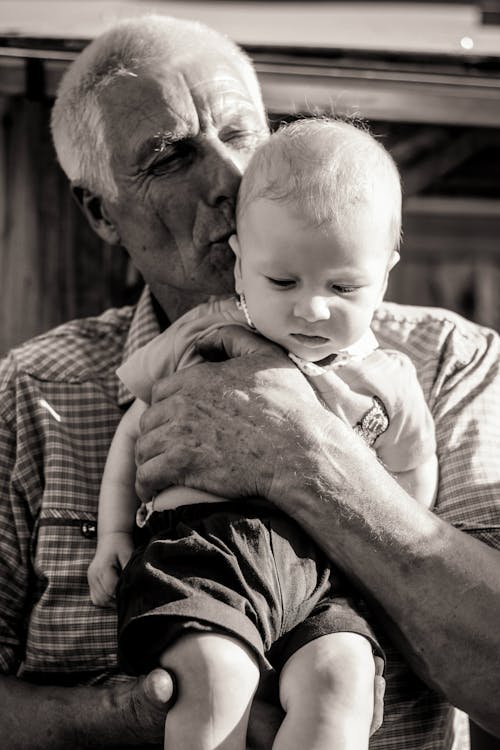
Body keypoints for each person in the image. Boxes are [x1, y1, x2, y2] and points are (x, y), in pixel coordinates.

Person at [0, 12, 499, 750]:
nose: (231, 181)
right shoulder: (33, 394)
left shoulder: (447, 362)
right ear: (100, 212)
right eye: (172, 156)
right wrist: (131, 715)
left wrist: (308, 458)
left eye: (243, 135)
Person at [88, 117, 438, 750]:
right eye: (283, 282)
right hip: (206, 550)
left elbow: (413, 476)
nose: (312, 308)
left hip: (327, 568)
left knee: (343, 681)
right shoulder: (203, 336)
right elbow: (136, 428)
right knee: (215, 678)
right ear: (242, 261)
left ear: (387, 267)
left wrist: (385, 572)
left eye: (344, 286)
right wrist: (113, 531)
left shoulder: (388, 379)